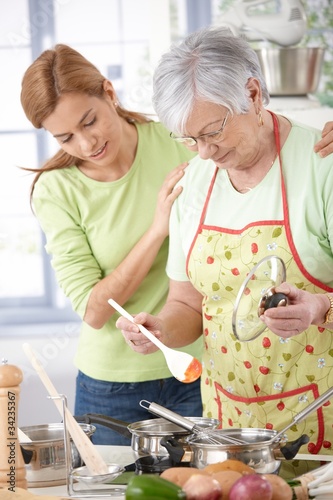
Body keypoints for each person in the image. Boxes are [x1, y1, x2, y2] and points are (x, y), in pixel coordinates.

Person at [115, 26, 333, 477]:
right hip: (229, 435)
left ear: (253, 94)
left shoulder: (322, 164)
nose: (206, 151)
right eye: (190, 140)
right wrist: (160, 331)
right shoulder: (194, 182)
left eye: (213, 131)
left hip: (318, 433)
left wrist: (319, 307)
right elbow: (187, 305)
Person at [20, 44, 203, 445]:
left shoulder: (177, 143)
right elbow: (94, 309)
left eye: (90, 122)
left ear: (109, 92)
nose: (86, 144)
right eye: (65, 137)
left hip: (197, 370)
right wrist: (158, 228)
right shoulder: (56, 191)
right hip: (112, 389)